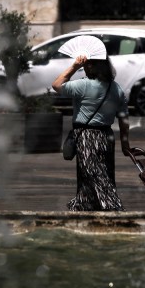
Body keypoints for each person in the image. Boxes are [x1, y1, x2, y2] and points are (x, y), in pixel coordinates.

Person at [52, 54, 132, 211]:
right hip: (107, 137)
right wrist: (125, 143)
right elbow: (124, 119)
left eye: (89, 65)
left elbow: (56, 85)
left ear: (97, 66)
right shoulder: (116, 88)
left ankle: (114, 209)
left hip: (87, 137)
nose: (85, 67)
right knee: (95, 175)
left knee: (95, 175)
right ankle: (85, 205)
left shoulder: (83, 85)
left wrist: (74, 66)